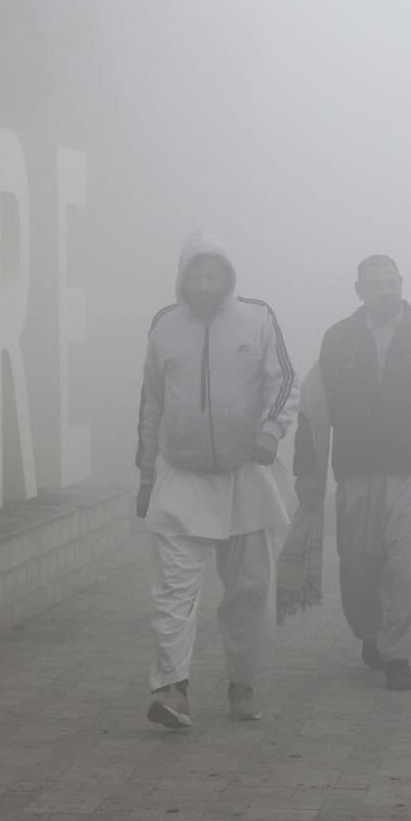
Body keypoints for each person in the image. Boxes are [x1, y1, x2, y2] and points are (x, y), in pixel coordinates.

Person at [135, 232, 298, 728]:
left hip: (245, 475)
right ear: (183, 279)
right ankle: (171, 689)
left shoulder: (258, 318)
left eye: (214, 275)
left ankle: (242, 683)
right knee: (174, 591)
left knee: (249, 588)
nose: (205, 284)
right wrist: (146, 476)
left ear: (228, 277)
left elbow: (284, 381)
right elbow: (151, 404)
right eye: (196, 275)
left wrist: (271, 432)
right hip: (181, 476)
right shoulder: (165, 326)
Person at [291, 255, 411, 690]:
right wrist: (308, 472)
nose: (385, 291)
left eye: (391, 282)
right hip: (358, 470)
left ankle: (397, 653)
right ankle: (369, 632)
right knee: (358, 566)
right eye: (376, 284)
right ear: (359, 291)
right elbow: (313, 409)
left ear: (403, 284)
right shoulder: (339, 340)